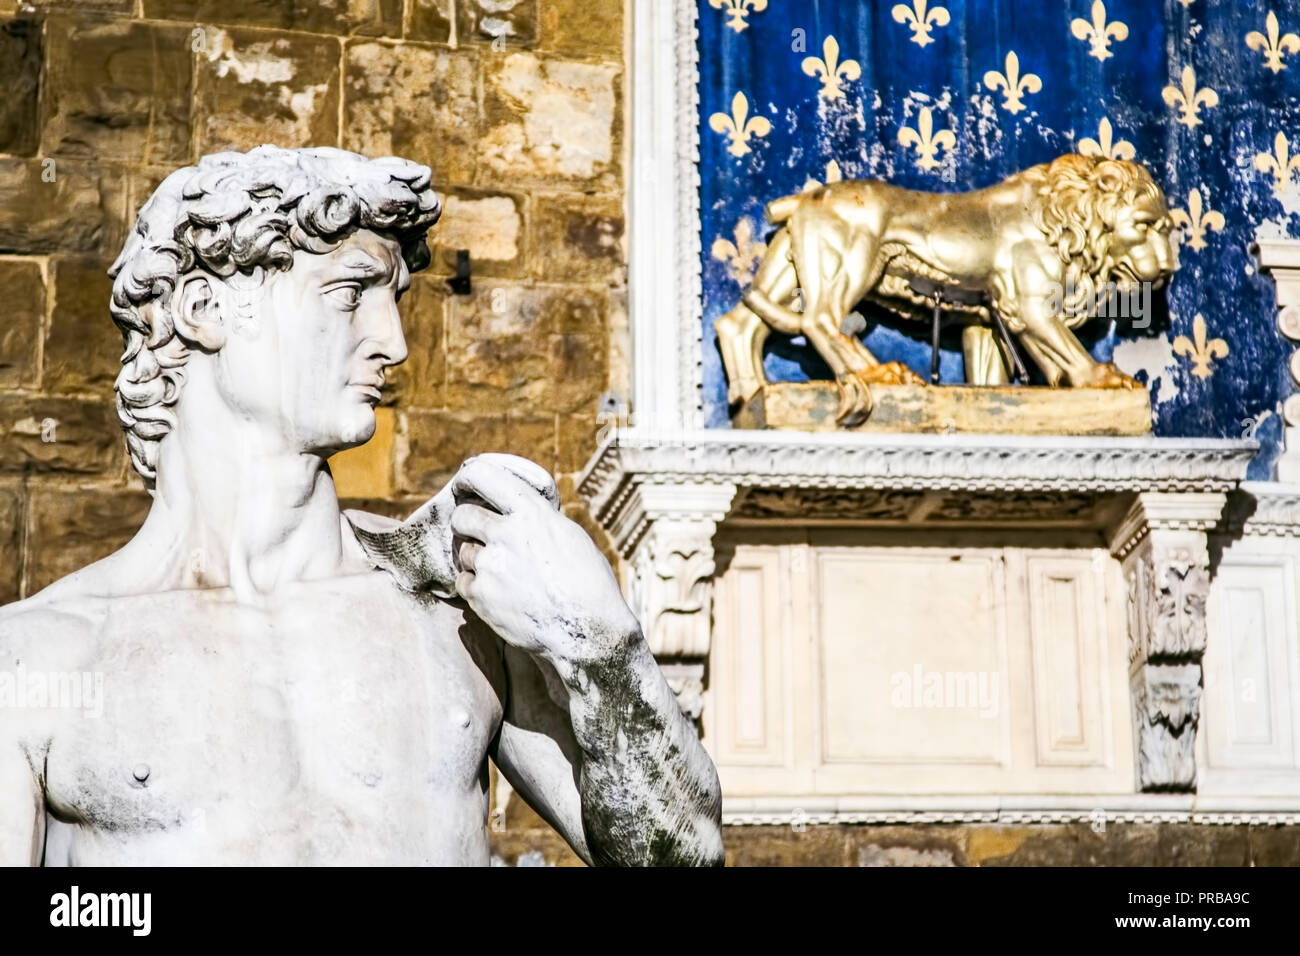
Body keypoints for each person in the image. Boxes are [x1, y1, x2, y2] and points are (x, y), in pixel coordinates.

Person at [0, 146, 723, 866]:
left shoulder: (455, 609)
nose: (396, 345)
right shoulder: (38, 659)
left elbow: (683, 864)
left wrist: (604, 649)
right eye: (350, 292)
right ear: (205, 308)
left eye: (395, 300)